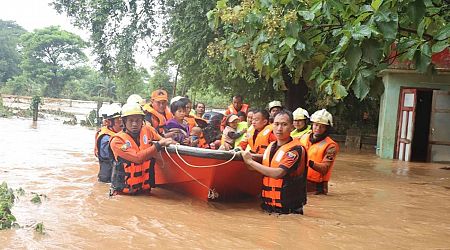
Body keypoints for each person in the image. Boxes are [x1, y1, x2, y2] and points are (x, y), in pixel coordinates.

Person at [242, 110, 308, 214]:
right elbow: (255, 166)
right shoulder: (271, 146)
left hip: (288, 211)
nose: (279, 128)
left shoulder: (296, 149)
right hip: (268, 207)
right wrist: (246, 157)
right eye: (276, 124)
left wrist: (250, 161)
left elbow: (278, 173)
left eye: (284, 124)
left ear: (292, 127)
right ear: (272, 125)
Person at [110, 102, 173, 195]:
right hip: (124, 194)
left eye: (138, 120)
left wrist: (176, 143)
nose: (134, 124)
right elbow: (137, 158)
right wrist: (158, 146)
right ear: (124, 122)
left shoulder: (147, 130)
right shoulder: (117, 141)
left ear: (142, 121)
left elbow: (164, 140)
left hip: (145, 191)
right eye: (131, 120)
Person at [299, 109, 339, 195]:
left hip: (317, 188)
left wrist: (307, 162)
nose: (318, 128)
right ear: (312, 125)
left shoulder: (331, 146)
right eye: (316, 125)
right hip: (300, 183)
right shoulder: (303, 137)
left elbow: (325, 168)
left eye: (322, 126)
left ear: (327, 128)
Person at [94, 104, 122, 183]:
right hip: (107, 179)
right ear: (109, 122)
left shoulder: (114, 134)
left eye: (122, 120)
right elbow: (115, 155)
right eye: (118, 120)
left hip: (113, 177)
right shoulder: (106, 139)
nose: (122, 124)